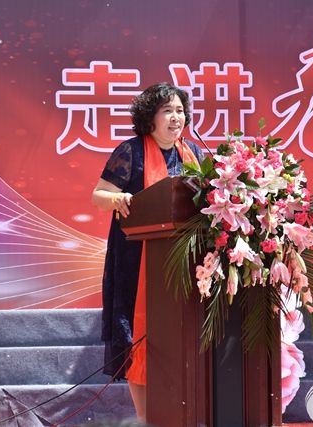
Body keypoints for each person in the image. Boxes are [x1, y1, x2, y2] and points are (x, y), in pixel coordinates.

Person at [91, 82, 204, 421]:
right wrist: (119, 198)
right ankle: (146, 419)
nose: (176, 117)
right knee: (140, 339)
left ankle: (181, 414)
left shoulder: (195, 154)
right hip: (136, 262)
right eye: (167, 111)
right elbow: (99, 195)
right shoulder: (131, 152)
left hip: (184, 263)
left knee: (179, 339)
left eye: (180, 111)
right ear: (149, 117)